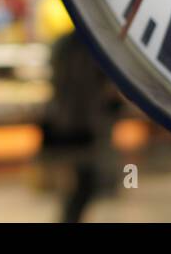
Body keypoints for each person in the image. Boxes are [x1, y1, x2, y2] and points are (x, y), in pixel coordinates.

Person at [44, 30, 117, 223]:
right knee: (84, 182)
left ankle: (70, 216)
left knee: (75, 182)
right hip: (84, 122)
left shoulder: (63, 45)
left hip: (67, 120)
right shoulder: (92, 46)